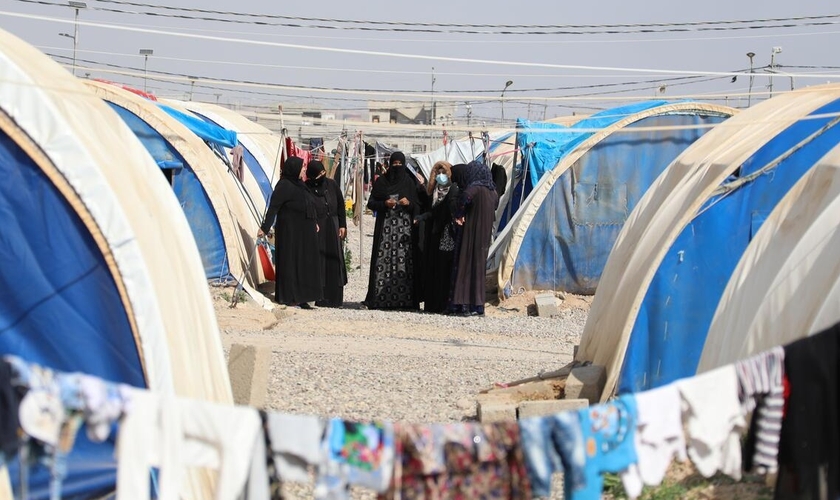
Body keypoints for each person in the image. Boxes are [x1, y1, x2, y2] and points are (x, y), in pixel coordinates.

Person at [258, 157, 323, 308]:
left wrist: (314, 222)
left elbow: (308, 205)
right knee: (291, 263)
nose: (304, 170)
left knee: (305, 263)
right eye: (302, 168)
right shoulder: (284, 186)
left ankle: (303, 296)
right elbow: (273, 208)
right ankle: (290, 296)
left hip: (305, 232)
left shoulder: (300, 185)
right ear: (294, 169)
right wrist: (265, 228)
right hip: (291, 232)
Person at [363, 151, 422, 310]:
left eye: (399, 164)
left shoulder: (409, 182)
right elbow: (371, 203)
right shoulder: (382, 182)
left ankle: (406, 300)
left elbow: (417, 205)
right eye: (394, 164)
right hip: (385, 230)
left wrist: (408, 204)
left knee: (405, 262)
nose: (397, 167)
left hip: (404, 232)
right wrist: (384, 204)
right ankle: (380, 298)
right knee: (383, 261)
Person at [449, 160, 499, 316]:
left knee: (465, 266)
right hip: (484, 237)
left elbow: (464, 198)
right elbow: (495, 206)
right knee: (479, 270)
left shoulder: (474, 189)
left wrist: (459, 215)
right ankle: (478, 306)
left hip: (470, 233)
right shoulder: (493, 192)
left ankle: (462, 304)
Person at [415, 161, 460, 313]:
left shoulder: (453, 190)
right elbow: (430, 207)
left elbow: (441, 211)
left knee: (443, 269)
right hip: (433, 233)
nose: (441, 176)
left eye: (444, 173)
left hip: (446, 233)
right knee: (432, 267)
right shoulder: (433, 190)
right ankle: (432, 303)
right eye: (438, 173)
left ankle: (443, 303)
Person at [305, 160, 348, 308]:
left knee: (334, 260)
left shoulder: (331, 184)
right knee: (320, 261)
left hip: (333, 225)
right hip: (318, 227)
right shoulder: (307, 188)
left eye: (324, 173)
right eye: (319, 174)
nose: (323, 176)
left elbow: (341, 204)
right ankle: (320, 296)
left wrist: (342, 224)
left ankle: (335, 298)